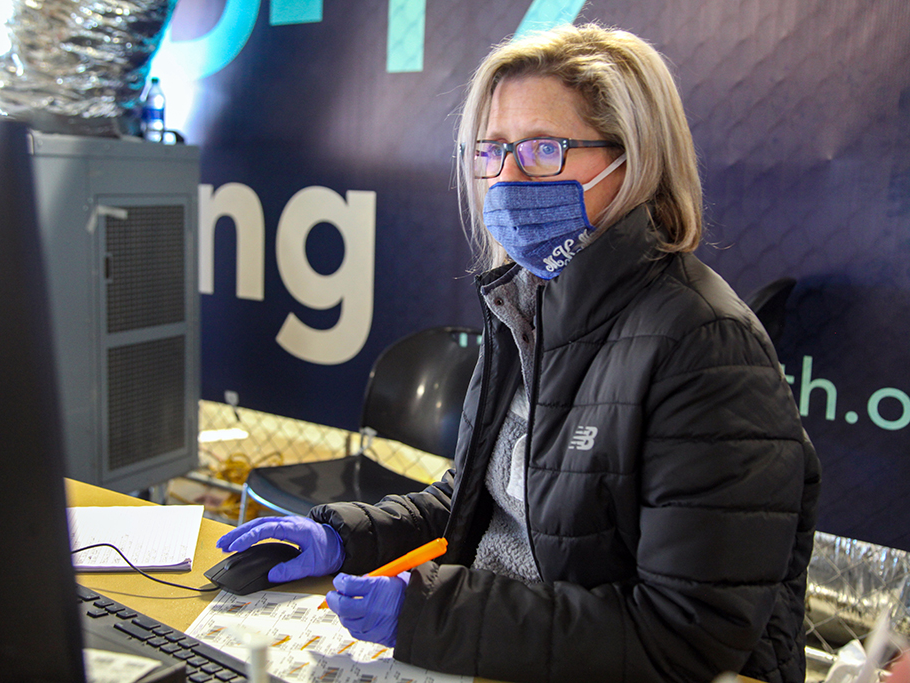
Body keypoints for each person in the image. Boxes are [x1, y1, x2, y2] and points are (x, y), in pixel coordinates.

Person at [219, 23, 821, 683]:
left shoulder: (706, 345)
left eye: (541, 149)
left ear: (635, 158)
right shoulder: (529, 304)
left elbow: (684, 637)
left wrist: (431, 614)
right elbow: (474, 499)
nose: (507, 179)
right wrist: (345, 537)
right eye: (493, 151)